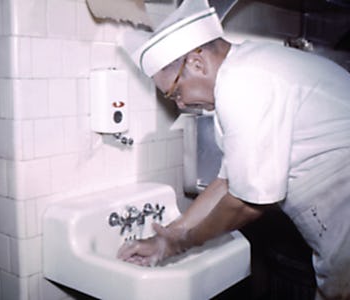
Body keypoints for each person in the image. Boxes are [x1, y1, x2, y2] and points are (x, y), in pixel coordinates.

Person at [118, 0, 350, 299]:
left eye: (175, 92)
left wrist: (183, 242)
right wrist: (170, 235)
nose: (181, 105)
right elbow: (227, 182)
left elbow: (247, 203)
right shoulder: (246, 67)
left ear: (197, 64)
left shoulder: (242, 83)